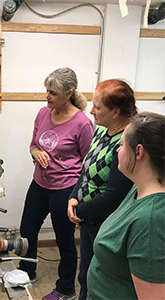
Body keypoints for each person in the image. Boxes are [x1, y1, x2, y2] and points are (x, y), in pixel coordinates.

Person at [19, 67, 94, 300]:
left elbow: (88, 163)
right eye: (46, 90)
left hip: (64, 189)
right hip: (39, 185)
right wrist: (36, 153)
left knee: (65, 241)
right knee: (27, 231)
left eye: (52, 92)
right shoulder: (43, 113)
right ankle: (26, 271)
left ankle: (66, 288)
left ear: (68, 93)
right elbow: (32, 144)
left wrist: (77, 195)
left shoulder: (82, 124)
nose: (46, 96)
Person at [67, 79, 137, 300]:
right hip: (89, 218)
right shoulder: (101, 131)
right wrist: (72, 197)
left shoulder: (125, 144)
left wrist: (79, 211)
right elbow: (85, 170)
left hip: (104, 224)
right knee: (85, 273)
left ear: (115, 111)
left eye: (97, 106)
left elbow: (114, 198)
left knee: (99, 278)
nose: (91, 111)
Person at [87, 112, 165, 300]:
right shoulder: (137, 188)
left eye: (121, 145)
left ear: (138, 152)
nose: (117, 151)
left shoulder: (151, 221)